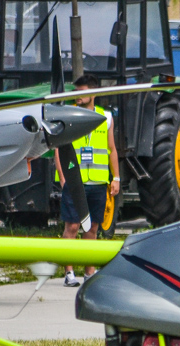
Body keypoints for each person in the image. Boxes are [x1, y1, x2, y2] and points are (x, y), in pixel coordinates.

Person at [53, 74, 120, 287]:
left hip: (98, 182)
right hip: (75, 182)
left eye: (81, 92)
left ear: (93, 93)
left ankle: (89, 273)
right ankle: (69, 273)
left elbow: (111, 150)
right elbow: (59, 149)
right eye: (76, 92)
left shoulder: (105, 117)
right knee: (72, 226)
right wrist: (63, 177)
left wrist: (116, 177)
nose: (77, 96)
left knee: (92, 229)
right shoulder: (68, 115)